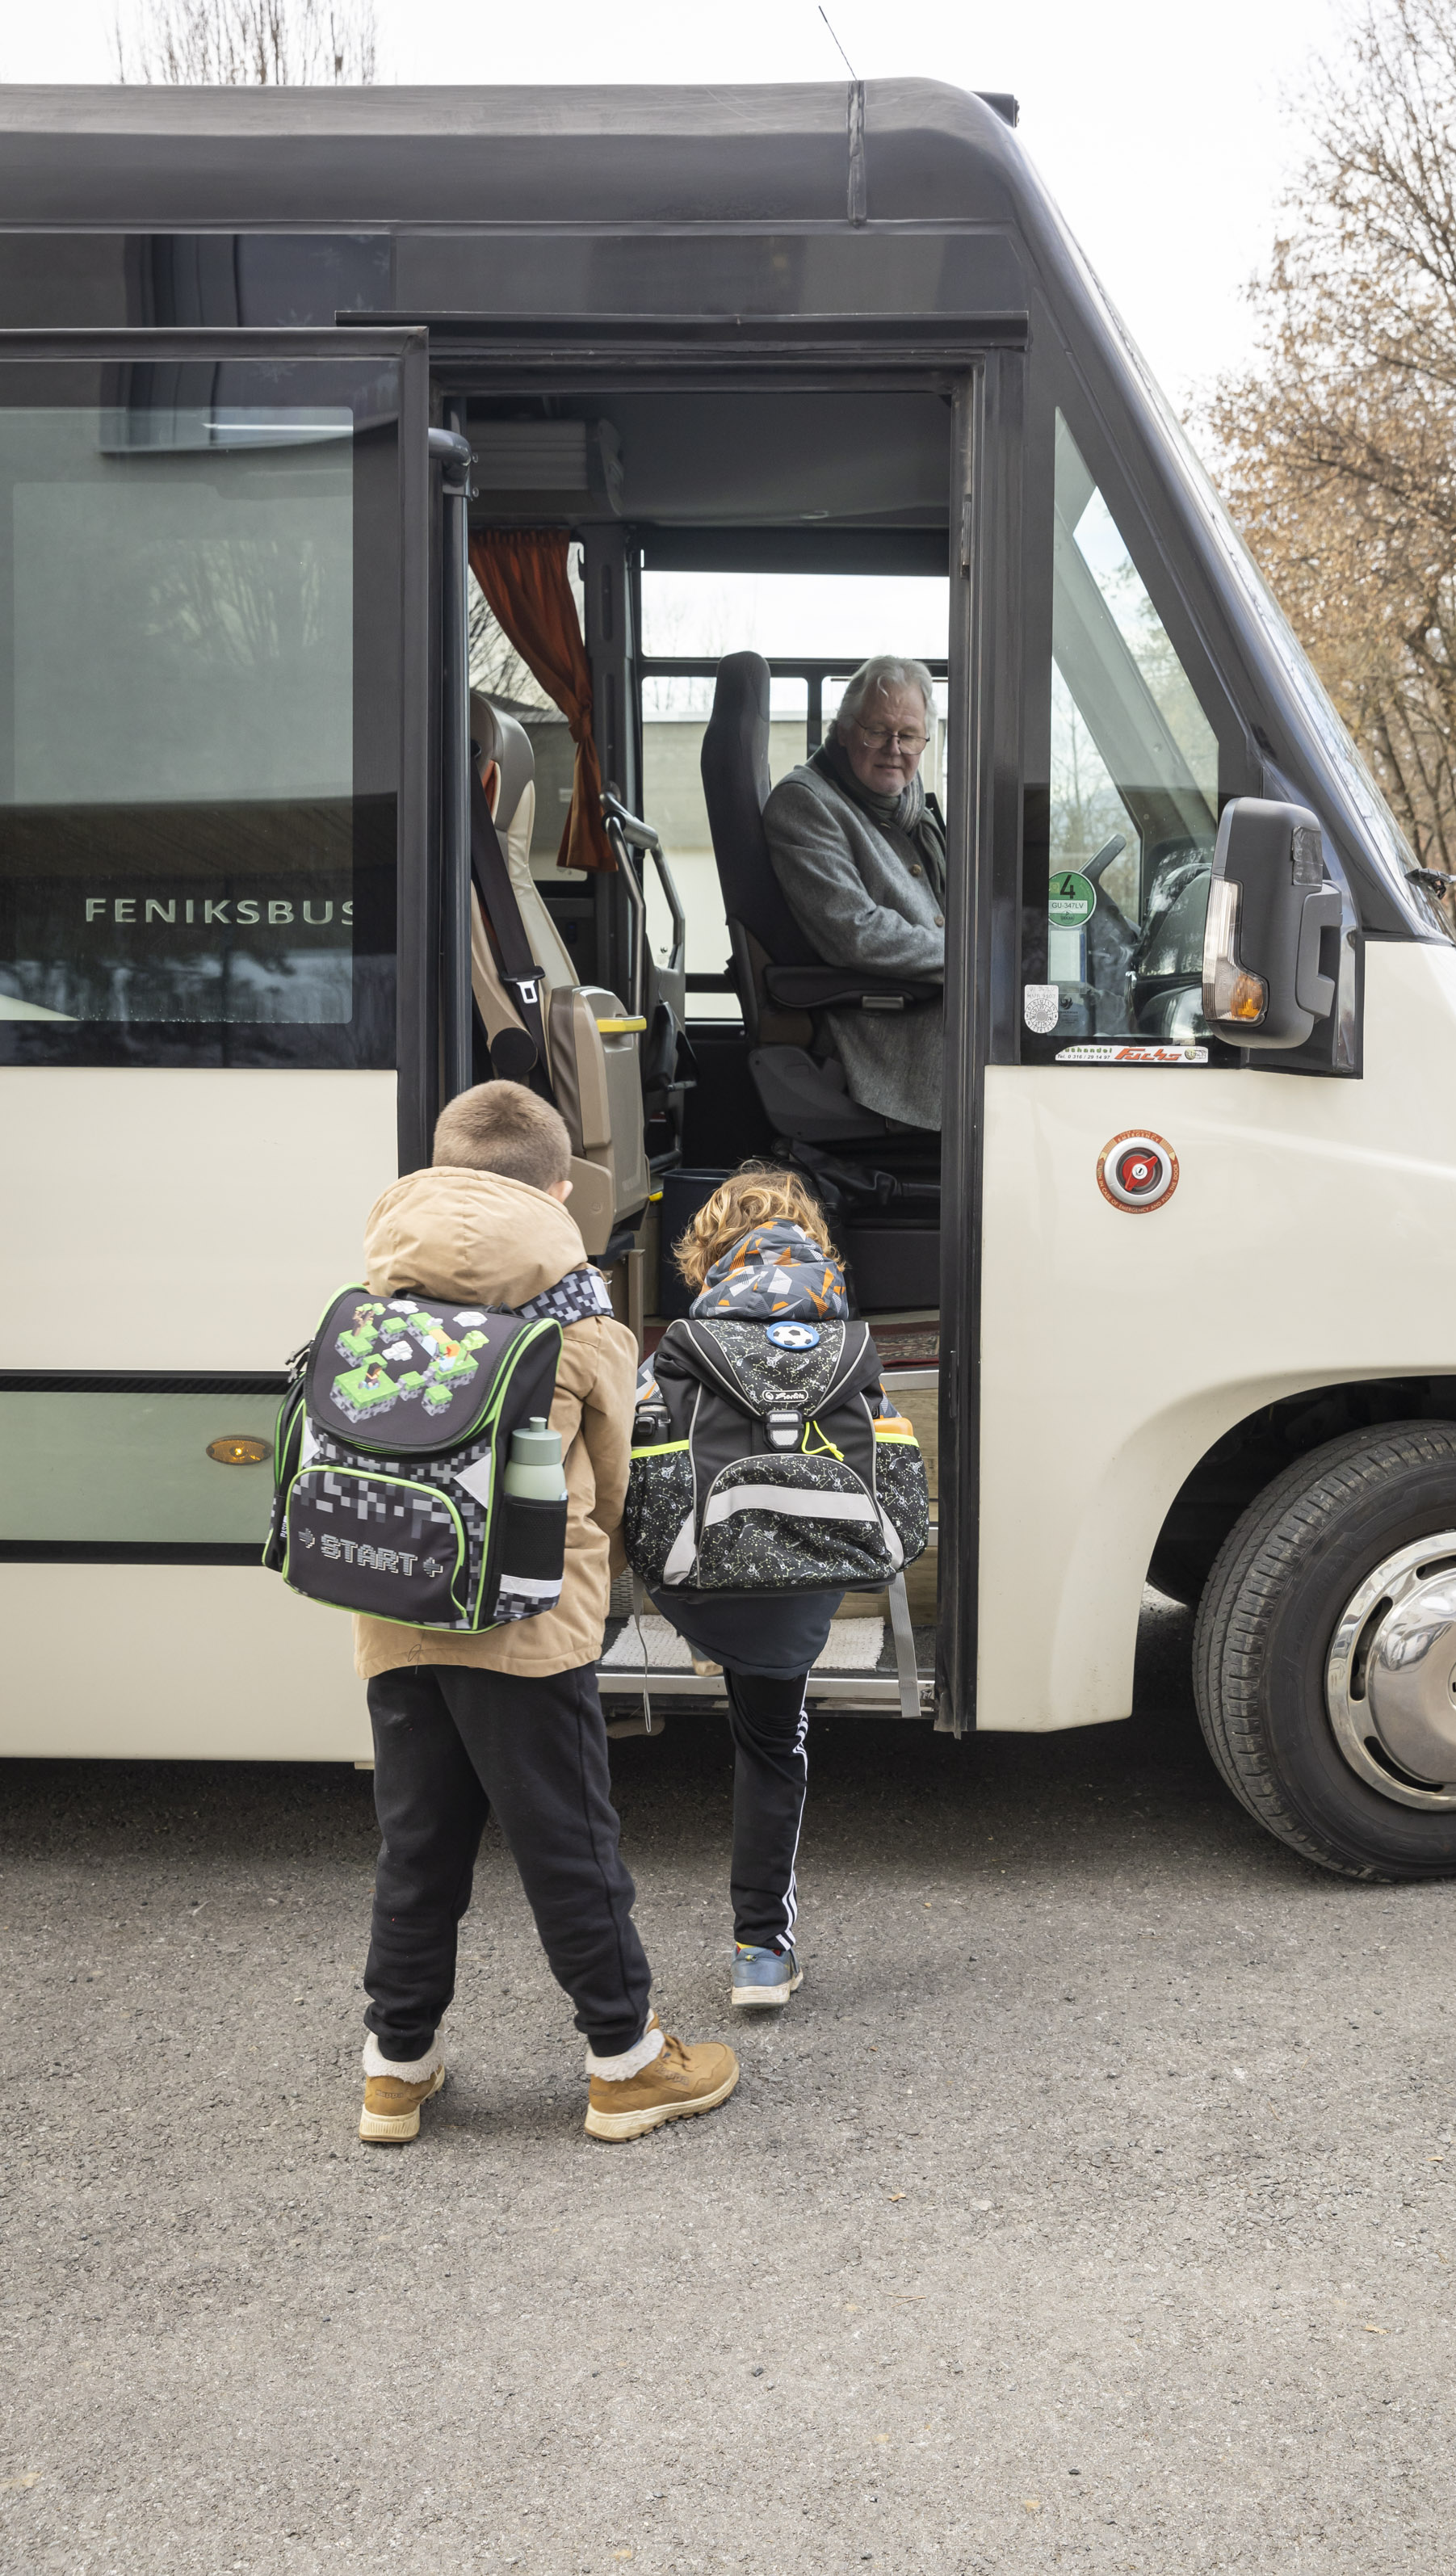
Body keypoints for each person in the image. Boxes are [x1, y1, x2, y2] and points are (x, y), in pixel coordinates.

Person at [352, 1078, 738, 2146]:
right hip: (525, 1622)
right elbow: (613, 1492)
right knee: (568, 1843)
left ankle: (394, 2068)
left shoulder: (378, 1291)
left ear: (441, 1171)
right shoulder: (581, 1322)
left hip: (390, 1606)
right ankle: (626, 2064)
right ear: (560, 1191)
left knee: (417, 1842)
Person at [635, 1166, 913, 2011]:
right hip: (801, 1579)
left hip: (696, 1573)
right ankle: (760, 1950)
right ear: (812, 1244)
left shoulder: (681, 1345)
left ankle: (704, 1644)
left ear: (707, 1252)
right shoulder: (850, 1345)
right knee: (771, 1746)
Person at [762, 653, 946, 1130]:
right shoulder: (805, 802)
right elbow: (855, 932)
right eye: (877, 731)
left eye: (909, 735)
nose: (894, 749)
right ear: (844, 730)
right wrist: (969, 960)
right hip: (886, 1028)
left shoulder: (906, 806)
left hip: (931, 999)